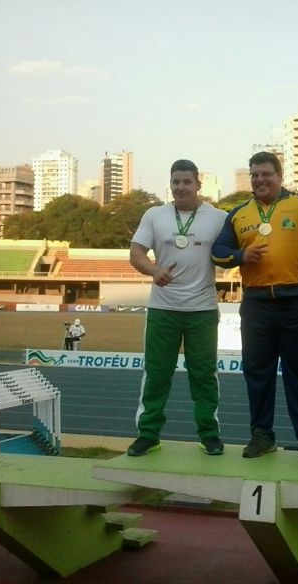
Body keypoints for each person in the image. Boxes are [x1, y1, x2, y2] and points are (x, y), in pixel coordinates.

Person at [211, 151, 298, 462]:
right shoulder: (238, 214)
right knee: (257, 373)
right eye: (255, 175)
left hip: (295, 301)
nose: (260, 180)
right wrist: (240, 257)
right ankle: (262, 435)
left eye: (266, 174)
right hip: (256, 304)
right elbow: (217, 251)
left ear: (279, 176)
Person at [127, 159, 228, 457]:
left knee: (204, 375)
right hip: (163, 309)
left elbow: (232, 252)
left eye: (187, 181)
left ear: (199, 184)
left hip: (202, 309)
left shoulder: (219, 217)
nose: (181, 187)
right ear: (170, 185)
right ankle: (148, 434)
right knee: (157, 374)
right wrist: (153, 270)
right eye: (176, 182)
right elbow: (136, 253)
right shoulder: (154, 215)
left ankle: (209, 434)